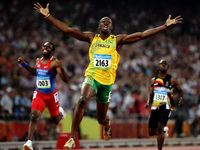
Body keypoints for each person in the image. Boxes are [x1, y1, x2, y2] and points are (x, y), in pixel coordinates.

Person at [34, 2, 183, 149]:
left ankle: (107, 124)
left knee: (101, 119)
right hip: (92, 77)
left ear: (111, 27)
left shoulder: (117, 40)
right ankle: (72, 137)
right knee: (82, 100)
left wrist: (164, 26)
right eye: (103, 22)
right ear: (99, 26)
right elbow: (67, 30)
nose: (106, 23)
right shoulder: (91, 38)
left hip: (107, 83)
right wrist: (48, 16)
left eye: (108, 22)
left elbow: (142, 35)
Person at [18, 42, 69, 150]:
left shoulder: (54, 62)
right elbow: (35, 72)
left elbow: (65, 79)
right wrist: (24, 64)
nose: (45, 48)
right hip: (39, 94)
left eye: (48, 47)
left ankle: (60, 113)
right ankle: (29, 142)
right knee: (34, 116)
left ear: (52, 50)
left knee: (55, 121)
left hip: (51, 95)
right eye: (44, 46)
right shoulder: (38, 60)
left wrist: (61, 70)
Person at [145, 59, 183, 150]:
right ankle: (163, 132)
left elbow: (180, 91)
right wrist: (148, 101)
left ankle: (160, 147)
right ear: (159, 66)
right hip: (156, 105)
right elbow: (151, 93)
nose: (164, 65)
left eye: (165, 64)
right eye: (162, 64)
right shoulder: (154, 80)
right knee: (151, 132)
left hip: (166, 105)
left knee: (159, 128)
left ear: (167, 67)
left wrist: (181, 99)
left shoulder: (171, 80)